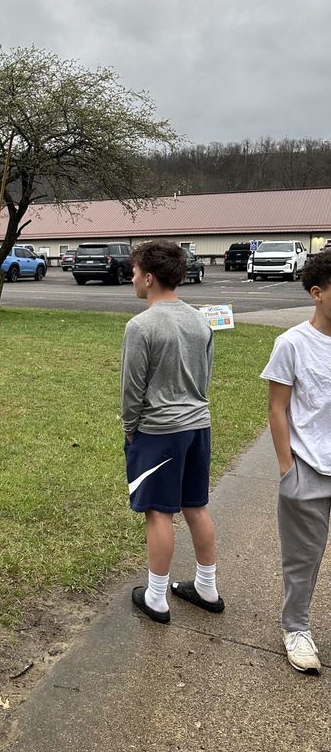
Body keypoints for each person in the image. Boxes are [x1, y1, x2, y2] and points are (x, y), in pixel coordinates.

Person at [121, 239, 224, 624]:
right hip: (199, 425)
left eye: (134, 272)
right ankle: (207, 586)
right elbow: (206, 375)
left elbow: (132, 388)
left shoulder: (141, 326)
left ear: (148, 278)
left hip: (159, 432)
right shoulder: (201, 320)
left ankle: (157, 598)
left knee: (159, 511)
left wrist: (131, 429)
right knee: (195, 505)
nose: (132, 278)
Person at [260, 249, 331, 675]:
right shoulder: (291, 344)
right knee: (302, 562)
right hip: (307, 468)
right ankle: (297, 629)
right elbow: (277, 409)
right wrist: (288, 470)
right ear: (318, 293)